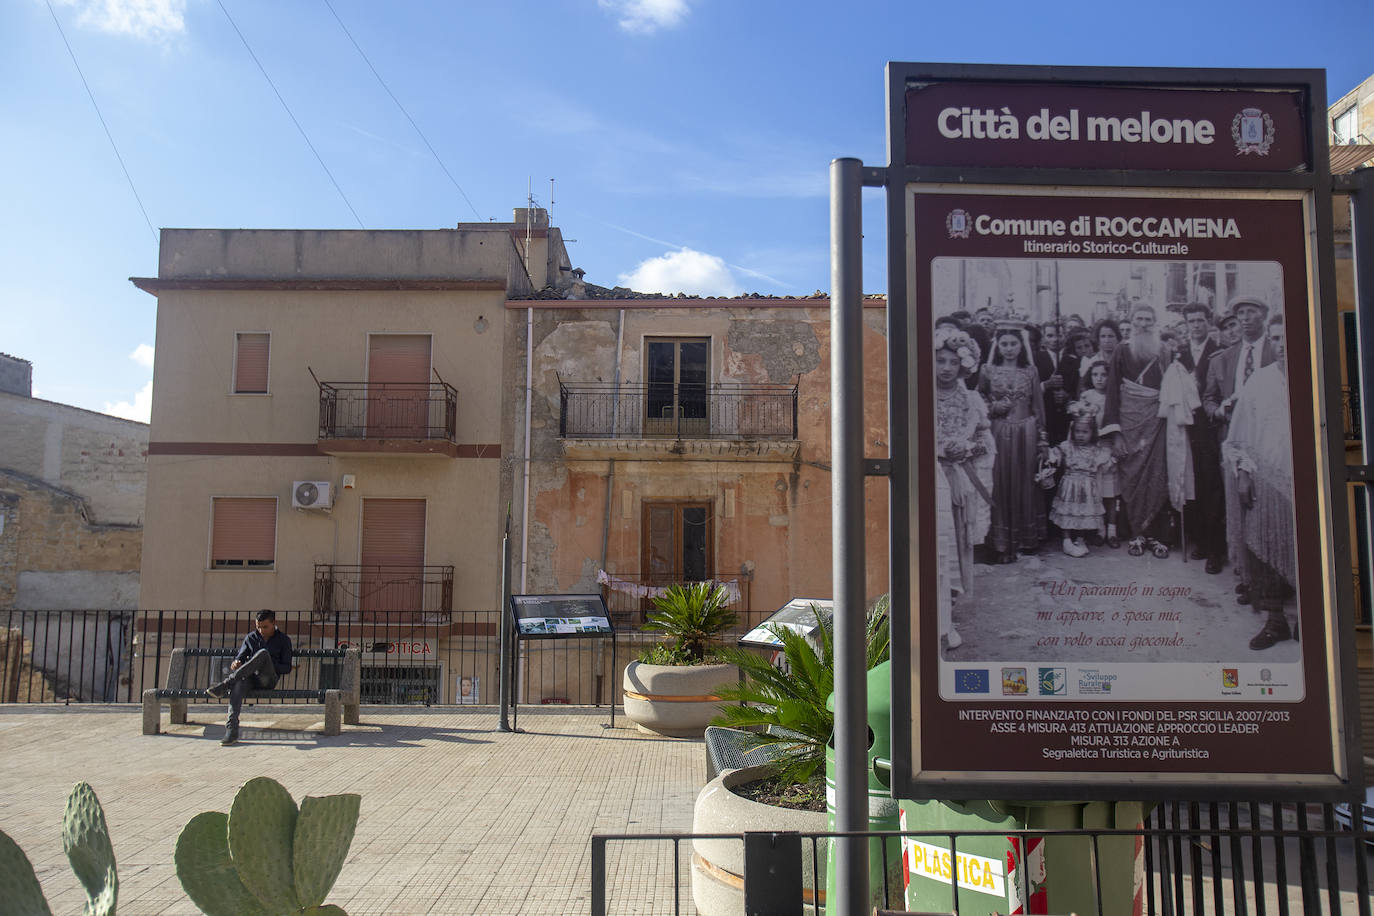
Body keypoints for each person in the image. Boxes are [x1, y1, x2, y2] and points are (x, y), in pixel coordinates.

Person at [1222, 315, 1297, 649]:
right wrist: (1243, 473)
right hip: (1266, 479)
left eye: (1289, 338)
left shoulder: (1317, 378)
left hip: (1307, 484)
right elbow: (1239, 435)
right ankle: (1276, 621)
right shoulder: (1260, 382)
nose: (1283, 346)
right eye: (1277, 339)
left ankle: (1313, 620)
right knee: (1266, 549)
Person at [1204, 295, 1280, 603]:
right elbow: (1208, 398)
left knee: (1267, 507)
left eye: (1251, 312)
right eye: (1240, 314)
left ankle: (1273, 580)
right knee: (1238, 507)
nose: (1245, 318)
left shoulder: (1276, 352)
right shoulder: (1224, 358)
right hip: (1234, 441)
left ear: (1263, 315)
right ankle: (1249, 578)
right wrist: (1219, 411)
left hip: (1269, 441)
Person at [933, 327, 995, 650]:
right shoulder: (921, 396)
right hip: (929, 480)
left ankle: (950, 615)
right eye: (940, 360)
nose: (945, 368)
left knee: (958, 545)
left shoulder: (971, 400)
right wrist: (940, 450)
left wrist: (966, 449)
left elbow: (985, 442)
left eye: (952, 363)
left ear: (963, 366)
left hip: (959, 481)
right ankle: (931, 615)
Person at [1100, 304, 1173, 557]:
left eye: (1148, 319)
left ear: (1155, 322)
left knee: (1157, 474)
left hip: (1157, 422)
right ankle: (1136, 535)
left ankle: (1157, 536)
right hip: (1129, 422)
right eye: (1139, 319)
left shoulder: (1165, 351)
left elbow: (1171, 390)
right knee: (1131, 478)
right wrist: (1115, 432)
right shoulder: (1121, 351)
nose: (1143, 324)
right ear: (1131, 322)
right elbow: (1111, 392)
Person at [978, 322, 1048, 562]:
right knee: (1000, 482)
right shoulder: (987, 370)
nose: (1009, 349)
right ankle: (1000, 542)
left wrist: (1042, 441)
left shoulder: (1031, 372)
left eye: (1013, 344)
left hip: (1026, 432)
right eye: (1004, 344)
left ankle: (1025, 539)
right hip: (998, 431)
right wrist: (992, 407)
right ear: (997, 345)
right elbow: (979, 402)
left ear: (1022, 345)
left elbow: (1038, 406)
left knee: (1024, 482)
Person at [1176, 303, 1226, 573]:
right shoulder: (1180, 353)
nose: (1195, 325)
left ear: (1209, 322)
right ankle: (1200, 541)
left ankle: (1215, 549)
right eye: (1191, 321)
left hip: (1211, 427)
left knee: (1212, 488)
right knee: (1192, 484)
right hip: (1187, 428)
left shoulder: (1218, 351)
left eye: (1200, 320)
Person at [206, 609, 293, 745]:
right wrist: (236, 663)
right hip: (250, 678)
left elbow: (287, 668)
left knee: (263, 654)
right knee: (239, 683)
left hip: (268, 679)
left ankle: (225, 684)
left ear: (274, 623)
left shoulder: (284, 640)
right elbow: (239, 658)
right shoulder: (251, 638)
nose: (261, 630)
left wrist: (266, 664)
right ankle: (231, 729)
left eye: (265, 627)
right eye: (258, 627)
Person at [1049, 412, 1115, 557]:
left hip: (1087, 487)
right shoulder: (1068, 447)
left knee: (1082, 514)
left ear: (1092, 433)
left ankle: (1080, 539)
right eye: (1077, 431)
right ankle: (1066, 541)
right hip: (1070, 485)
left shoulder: (1096, 450)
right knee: (1068, 511)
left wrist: (1113, 460)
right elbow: (1054, 456)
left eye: (1085, 432)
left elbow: (1105, 466)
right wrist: (1051, 456)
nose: (1080, 435)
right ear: (1072, 431)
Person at [1076, 359, 1121, 546]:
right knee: (1095, 491)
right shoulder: (1086, 396)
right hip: (1091, 448)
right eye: (1095, 374)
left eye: (1104, 375)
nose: (1099, 379)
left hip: (1108, 445)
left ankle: (1112, 531)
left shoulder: (1115, 396)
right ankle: (1099, 529)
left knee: (1110, 493)